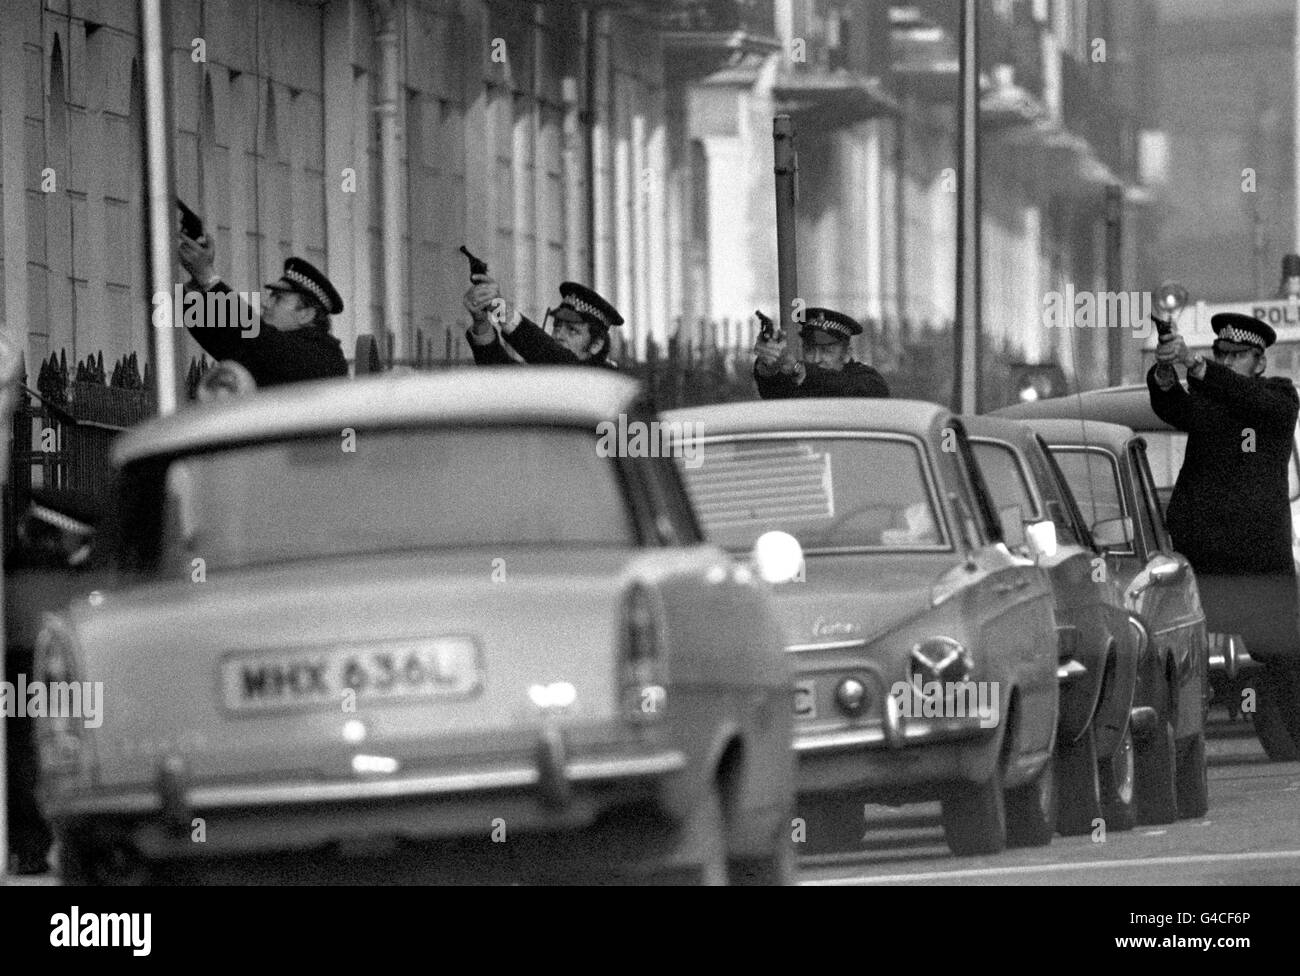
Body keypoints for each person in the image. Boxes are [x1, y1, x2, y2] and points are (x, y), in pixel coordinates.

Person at [1147, 311, 1300, 741]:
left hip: (1256, 560)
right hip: (1203, 552)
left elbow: (1250, 401)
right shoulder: (1211, 401)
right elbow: (1173, 407)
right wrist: (1164, 370)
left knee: (1283, 655)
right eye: (1221, 354)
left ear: (1260, 362)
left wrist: (1196, 366)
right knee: (1174, 649)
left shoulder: (1278, 398)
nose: (1227, 362)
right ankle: (1169, 740)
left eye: (1237, 355)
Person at [4, 488, 106, 875]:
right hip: (52, 680)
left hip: (19, 680)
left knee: (23, 754)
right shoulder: (55, 570)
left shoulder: (19, 564)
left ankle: (31, 848)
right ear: (63, 535)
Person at [177, 233, 348, 387]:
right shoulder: (273, 350)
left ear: (306, 314)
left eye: (278, 298)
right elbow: (219, 338)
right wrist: (197, 283)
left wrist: (208, 276)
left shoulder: (322, 355)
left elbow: (260, 337)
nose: (266, 303)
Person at [462, 276, 623, 369]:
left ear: (596, 345)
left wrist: (498, 307)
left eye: (572, 330)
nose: (559, 335)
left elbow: (552, 354)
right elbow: (500, 372)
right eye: (557, 326)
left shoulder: (598, 379)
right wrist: (481, 321)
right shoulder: (551, 373)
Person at [752, 307, 890, 399]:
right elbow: (773, 389)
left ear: (847, 354)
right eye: (810, 349)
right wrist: (768, 365)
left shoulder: (866, 380)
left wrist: (800, 370)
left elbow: (868, 391)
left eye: (827, 351)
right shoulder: (798, 381)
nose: (816, 358)